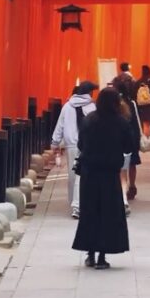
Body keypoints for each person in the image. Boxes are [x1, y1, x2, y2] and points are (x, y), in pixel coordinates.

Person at [72, 87, 137, 269]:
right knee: (108, 213)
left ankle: (90, 253)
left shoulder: (89, 120)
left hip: (89, 173)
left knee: (90, 212)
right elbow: (128, 146)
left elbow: (81, 144)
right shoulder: (121, 122)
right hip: (109, 174)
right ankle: (102, 256)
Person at [51, 81, 99, 219]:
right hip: (89, 146)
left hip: (71, 144)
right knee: (87, 175)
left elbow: (60, 125)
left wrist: (55, 142)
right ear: (89, 93)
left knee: (73, 175)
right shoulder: (93, 107)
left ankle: (74, 203)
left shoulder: (67, 106)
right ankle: (84, 202)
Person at [111, 71, 144, 203]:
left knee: (119, 163)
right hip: (131, 135)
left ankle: (120, 187)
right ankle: (132, 185)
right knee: (132, 162)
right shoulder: (132, 103)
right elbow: (135, 119)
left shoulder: (114, 104)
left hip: (117, 136)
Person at [135, 65, 150, 137]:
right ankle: (146, 139)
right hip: (149, 105)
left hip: (140, 106)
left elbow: (133, 93)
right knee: (147, 124)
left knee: (144, 123)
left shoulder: (137, 82)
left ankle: (144, 137)